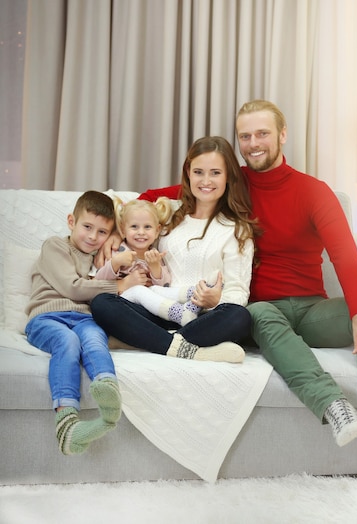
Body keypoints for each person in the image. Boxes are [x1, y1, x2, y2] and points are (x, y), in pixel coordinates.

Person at [135, 100, 357, 462]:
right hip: (260, 310)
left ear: (282, 135)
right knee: (260, 315)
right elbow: (151, 198)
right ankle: (332, 404)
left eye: (262, 134)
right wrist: (118, 235)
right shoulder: (229, 182)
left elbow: (345, 255)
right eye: (245, 136)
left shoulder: (313, 191)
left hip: (311, 308)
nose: (253, 143)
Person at [91, 136, 257, 363]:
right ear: (188, 173)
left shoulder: (237, 230)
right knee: (102, 302)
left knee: (240, 317)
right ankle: (186, 348)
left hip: (199, 317)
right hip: (155, 310)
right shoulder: (170, 213)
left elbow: (238, 294)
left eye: (215, 173)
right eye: (199, 172)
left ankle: (144, 340)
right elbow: (134, 217)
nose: (206, 180)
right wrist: (116, 232)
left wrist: (216, 299)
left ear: (228, 176)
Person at [24, 191, 129, 455]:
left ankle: (108, 396)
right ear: (71, 221)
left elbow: (136, 224)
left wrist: (118, 238)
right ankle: (67, 423)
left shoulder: (100, 257)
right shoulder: (55, 246)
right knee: (68, 342)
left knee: (95, 338)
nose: (93, 237)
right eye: (87, 227)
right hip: (46, 317)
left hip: (83, 318)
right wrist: (119, 285)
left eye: (103, 232)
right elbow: (72, 288)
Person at [94, 197, 202, 326]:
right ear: (123, 230)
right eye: (134, 227)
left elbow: (164, 285)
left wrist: (155, 267)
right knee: (139, 290)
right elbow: (98, 280)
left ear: (157, 231)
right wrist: (116, 262)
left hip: (145, 309)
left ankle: (193, 293)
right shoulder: (117, 251)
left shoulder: (153, 255)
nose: (141, 232)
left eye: (147, 227)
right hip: (119, 303)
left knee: (155, 290)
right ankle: (177, 313)